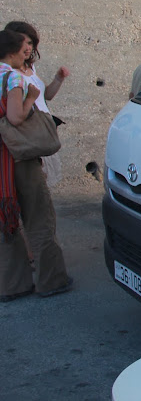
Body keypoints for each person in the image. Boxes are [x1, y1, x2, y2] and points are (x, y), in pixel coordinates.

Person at [0, 29, 72, 301]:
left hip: (2, 161)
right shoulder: (12, 76)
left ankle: (12, 285)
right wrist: (30, 96)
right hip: (20, 157)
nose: (26, 55)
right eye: (24, 50)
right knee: (39, 218)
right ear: (12, 52)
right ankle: (51, 280)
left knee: (7, 222)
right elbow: (15, 117)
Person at [5, 21, 68, 188]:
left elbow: (46, 96)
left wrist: (58, 79)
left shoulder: (30, 67)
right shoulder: (9, 73)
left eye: (30, 42)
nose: (27, 48)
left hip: (41, 131)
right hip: (28, 134)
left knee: (41, 185)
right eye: (22, 42)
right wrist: (30, 98)